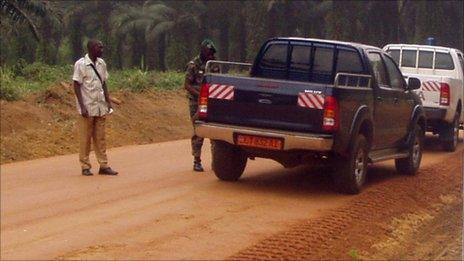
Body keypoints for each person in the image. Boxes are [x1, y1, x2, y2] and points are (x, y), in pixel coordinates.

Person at [72, 39, 118, 176]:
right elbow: (76, 85)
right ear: (91, 48)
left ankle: (103, 165)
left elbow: (104, 83)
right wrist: (82, 106)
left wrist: (108, 101)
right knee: (85, 138)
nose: (102, 50)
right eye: (99, 47)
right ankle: (85, 166)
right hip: (87, 107)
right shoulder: (80, 64)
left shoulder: (102, 64)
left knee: (100, 138)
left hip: (100, 106)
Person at [184, 39, 217, 172]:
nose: (211, 54)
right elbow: (186, 85)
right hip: (196, 102)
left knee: (215, 132)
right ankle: (197, 160)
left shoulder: (214, 64)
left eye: (212, 52)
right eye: (209, 52)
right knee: (199, 130)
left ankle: (217, 161)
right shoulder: (193, 65)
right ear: (203, 51)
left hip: (211, 102)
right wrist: (201, 95)